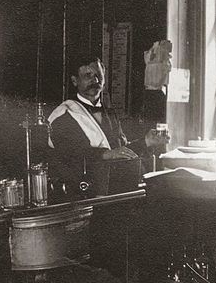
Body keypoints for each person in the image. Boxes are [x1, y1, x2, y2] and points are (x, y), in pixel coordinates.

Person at [48, 53, 167, 196]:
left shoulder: (109, 113)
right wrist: (106, 154)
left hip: (115, 191)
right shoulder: (64, 114)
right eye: (88, 76)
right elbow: (69, 154)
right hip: (83, 196)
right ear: (75, 81)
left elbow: (119, 152)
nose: (95, 80)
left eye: (99, 75)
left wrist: (146, 141)